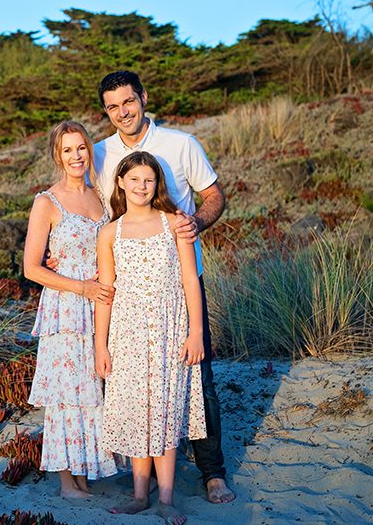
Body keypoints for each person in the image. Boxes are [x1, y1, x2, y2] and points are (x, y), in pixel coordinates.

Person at [92, 70, 235, 505]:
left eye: (128, 102)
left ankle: (211, 471)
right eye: (113, 106)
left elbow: (215, 196)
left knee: (197, 374)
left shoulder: (180, 144)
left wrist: (196, 223)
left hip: (181, 285)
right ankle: (147, 472)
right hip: (130, 295)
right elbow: (94, 213)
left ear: (143, 98)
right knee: (135, 382)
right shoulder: (101, 155)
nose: (122, 112)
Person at [95, 151, 207, 525]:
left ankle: (167, 498)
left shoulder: (175, 224)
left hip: (169, 330)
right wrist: (101, 345)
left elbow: (191, 280)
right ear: (121, 183)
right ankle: (139, 495)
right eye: (135, 179)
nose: (142, 187)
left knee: (166, 409)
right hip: (127, 334)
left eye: (149, 180)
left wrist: (196, 332)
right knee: (137, 411)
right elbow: (106, 291)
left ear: (157, 184)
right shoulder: (110, 232)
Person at [23, 121, 118, 498]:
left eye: (81, 147)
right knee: (66, 391)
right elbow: (32, 268)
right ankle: (66, 481)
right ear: (57, 156)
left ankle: (85, 470)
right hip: (66, 306)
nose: (76, 156)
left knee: (93, 386)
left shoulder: (102, 197)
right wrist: (81, 287)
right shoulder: (47, 202)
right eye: (67, 150)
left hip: (101, 303)